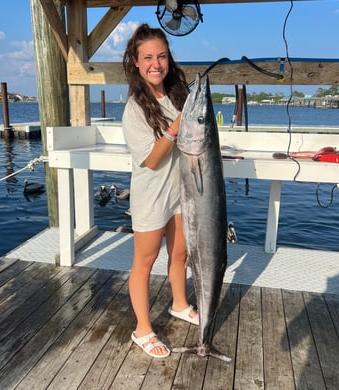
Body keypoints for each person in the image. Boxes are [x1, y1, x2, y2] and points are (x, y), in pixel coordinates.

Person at [122, 23, 198, 359]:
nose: (156, 63)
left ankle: (179, 304)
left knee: (179, 255)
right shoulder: (134, 110)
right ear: (135, 62)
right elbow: (151, 161)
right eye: (148, 57)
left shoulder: (180, 94)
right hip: (152, 197)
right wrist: (176, 127)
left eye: (162, 56)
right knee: (145, 261)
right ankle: (142, 329)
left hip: (181, 192)